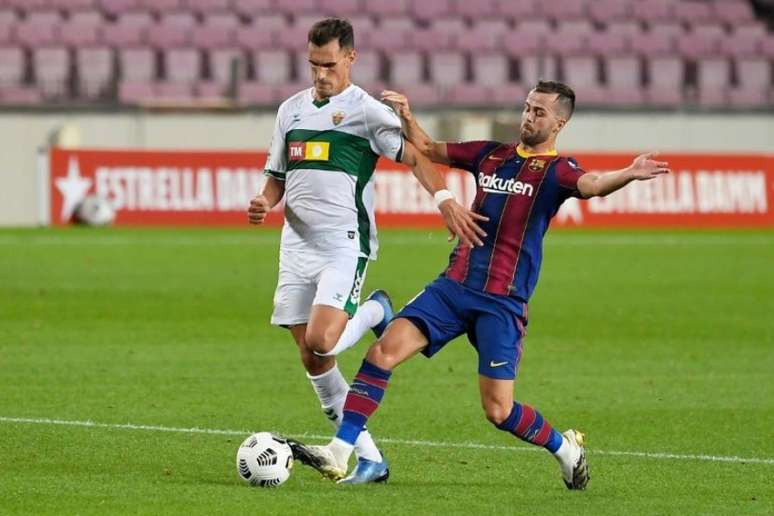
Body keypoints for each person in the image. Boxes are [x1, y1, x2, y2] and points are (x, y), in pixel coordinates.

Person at [287, 80, 671, 489]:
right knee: (382, 353)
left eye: (539, 112)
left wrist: (628, 174)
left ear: (560, 123)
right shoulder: (492, 154)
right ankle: (340, 451)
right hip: (453, 288)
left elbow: (592, 185)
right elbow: (431, 149)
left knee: (499, 411)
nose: (528, 117)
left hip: (501, 303)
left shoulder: (558, 172)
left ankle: (565, 449)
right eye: (527, 107)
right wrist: (408, 118)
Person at [247, 18, 485, 485]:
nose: (320, 74)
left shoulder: (366, 111)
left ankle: (376, 309)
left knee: (322, 340)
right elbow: (277, 176)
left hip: (343, 245)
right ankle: (369, 458)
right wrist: (264, 201)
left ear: (351, 58)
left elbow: (416, 156)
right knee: (313, 358)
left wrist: (445, 200)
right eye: (314, 65)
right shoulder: (289, 111)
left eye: (330, 64)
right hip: (295, 245)